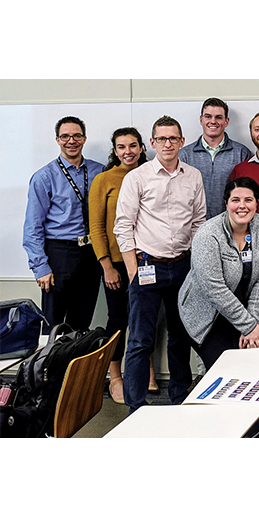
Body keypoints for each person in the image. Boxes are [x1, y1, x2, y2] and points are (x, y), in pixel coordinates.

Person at [114, 115, 206, 413]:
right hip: (146, 266)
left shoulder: (193, 175)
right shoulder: (137, 177)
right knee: (140, 341)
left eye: (173, 138)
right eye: (162, 139)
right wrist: (132, 270)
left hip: (182, 267)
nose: (168, 144)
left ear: (181, 142)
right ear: (151, 143)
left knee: (180, 337)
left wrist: (193, 261)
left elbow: (198, 222)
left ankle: (179, 399)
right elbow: (123, 227)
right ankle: (135, 407)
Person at [178, 177, 259, 369]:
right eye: (235, 200)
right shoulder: (208, 235)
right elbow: (214, 289)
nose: (242, 206)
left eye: (248, 200)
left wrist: (253, 323)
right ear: (226, 203)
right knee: (224, 371)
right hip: (207, 315)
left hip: (244, 312)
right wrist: (249, 326)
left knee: (251, 367)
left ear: (257, 202)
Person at [89, 127, 152, 404]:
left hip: (147, 260)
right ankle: (115, 377)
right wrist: (106, 266)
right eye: (122, 147)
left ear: (141, 148)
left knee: (147, 316)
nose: (128, 152)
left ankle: (144, 371)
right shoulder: (104, 180)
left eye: (133, 146)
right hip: (115, 263)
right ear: (115, 151)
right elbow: (96, 227)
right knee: (118, 320)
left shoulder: (151, 173)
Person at [23, 116, 104, 333]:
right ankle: (50, 368)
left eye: (77, 135)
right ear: (57, 140)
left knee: (81, 323)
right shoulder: (44, 177)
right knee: (53, 324)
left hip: (90, 254)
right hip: (59, 254)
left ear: (84, 138)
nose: (71, 140)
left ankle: (74, 367)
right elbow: (33, 227)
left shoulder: (100, 172)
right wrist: (40, 266)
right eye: (65, 136)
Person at [179, 97, 252, 220]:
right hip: (194, 227)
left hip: (231, 226)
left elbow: (249, 193)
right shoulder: (184, 155)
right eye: (208, 116)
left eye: (218, 117)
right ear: (201, 120)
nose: (213, 121)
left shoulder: (241, 153)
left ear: (226, 121)